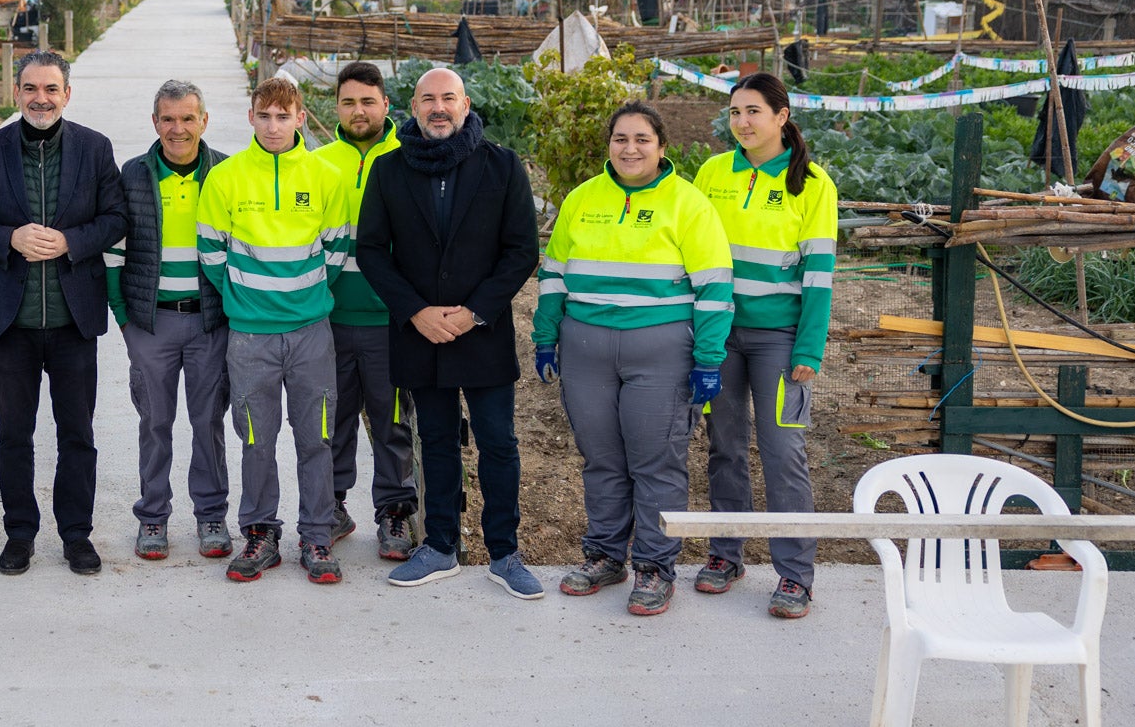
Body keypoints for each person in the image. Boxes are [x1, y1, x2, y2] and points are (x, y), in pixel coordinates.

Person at [532, 102, 734, 617]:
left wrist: (709, 359)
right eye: (620, 138)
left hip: (660, 350)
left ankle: (654, 566)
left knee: (655, 461)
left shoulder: (688, 204)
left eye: (642, 139)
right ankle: (604, 555)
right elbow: (553, 274)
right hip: (586, 349)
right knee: (601, 459)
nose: (630, 148)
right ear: (609, 145)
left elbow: (714, 288)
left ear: (662, 147)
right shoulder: (582, 200)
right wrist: (545, 335)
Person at [355, 68, 544, 599]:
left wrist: (474, 312)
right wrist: (415, 311)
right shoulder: (389, 170)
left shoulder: (502, 166)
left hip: (481, 334)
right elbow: (370, 250)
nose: (439, 108)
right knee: (435, 441)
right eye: (428, 99)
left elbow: (521, 251)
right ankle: (439, 546)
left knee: (498, 443)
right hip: (420, 335)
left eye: (448, 98)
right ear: (412, 108)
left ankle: (505, 553)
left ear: (465, 105)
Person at [0, 51, 126, 577]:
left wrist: (71, 241)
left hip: (74, 321)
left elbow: (115, 218)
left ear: (66, 94)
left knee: (78, 433)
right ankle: (20, 534)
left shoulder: (94, 148)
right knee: (14, 435)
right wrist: (10, 238)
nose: (40, 98)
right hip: (12, 323)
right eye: (30, 88)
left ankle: (76, 535)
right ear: (17, 92)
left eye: (50, 88)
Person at [691, 72, 837, 620]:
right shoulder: (712, 173)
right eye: (734, 112)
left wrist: (809, 348)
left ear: (782, 116)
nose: (743, 123)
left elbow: (820, 274)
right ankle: (726, 555)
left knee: (783, 453)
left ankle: (795, 575)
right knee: (724, 445)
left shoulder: (813, 183)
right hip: (718, 335)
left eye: (753, 111)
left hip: (780, 341)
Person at [195, 76, 351, 585]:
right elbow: (212, 253)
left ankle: (318, 536)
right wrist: (248, 299)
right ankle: (261, 533)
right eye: (265, 115)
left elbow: (335, 251)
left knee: (316, 437)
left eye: (284, 116)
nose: (274, 125)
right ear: (251, 118)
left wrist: (301, 298)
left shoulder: (326, 175)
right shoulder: (226, 177)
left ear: (301, 118)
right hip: (250, 337)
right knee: (256, 440)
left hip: (310, 332)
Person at [104, 80, 234, 560]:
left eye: (187, 118)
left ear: (204, 120)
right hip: (151, 324)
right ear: (154, 122)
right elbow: (114, 255)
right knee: (155, 423)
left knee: (208, 422)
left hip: (208, 323)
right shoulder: (133, 175)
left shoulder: (225, 173)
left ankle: (211, 515)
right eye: (167, 119)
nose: (177, 129)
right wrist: (125, 321)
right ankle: (153, 517)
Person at [311, 60, 418, 559]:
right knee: (331, 419)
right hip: (329, 319)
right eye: (349, 102)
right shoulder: (318, 161)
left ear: (386, 106)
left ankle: (395, 513)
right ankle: (331, 505)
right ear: (336, 107)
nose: (358, 111)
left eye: (367, 101)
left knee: (392, 420)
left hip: (390, 322)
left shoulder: (410, 156)